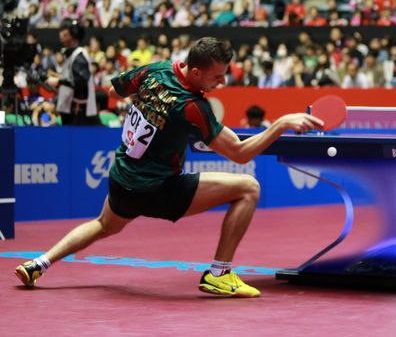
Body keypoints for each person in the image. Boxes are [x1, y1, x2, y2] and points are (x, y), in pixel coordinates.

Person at [15, 37, 323, 297]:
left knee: (103, 225)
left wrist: (150, 104)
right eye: (217, 77)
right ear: (197, 71)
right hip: (158, 189)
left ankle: (38, 264)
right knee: (248, 188)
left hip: (121, 180)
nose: (223, 82)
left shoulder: (154, 70)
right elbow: (240, 154)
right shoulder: (193, 107)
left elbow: (113, 92)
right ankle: (219, 273)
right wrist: (281, 123)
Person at [46, 19, 99, 125]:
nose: (60, 33)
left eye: (64, 30)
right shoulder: (72, 54)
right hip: (72, 112)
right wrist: (60, 77)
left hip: (78, 114)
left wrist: (59, 81)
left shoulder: (79, 56)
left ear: (73, 33)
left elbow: (81, 82)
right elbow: (73, 77)